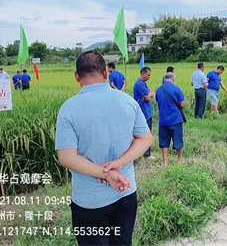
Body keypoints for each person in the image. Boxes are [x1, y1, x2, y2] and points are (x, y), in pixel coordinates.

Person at [55, 51, 153, 246]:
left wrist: (106, 174)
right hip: (126, 192)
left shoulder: (68, 108)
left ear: (76, 76)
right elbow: (146, 138)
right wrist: (119, 164)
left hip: (90, 201)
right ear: (106, 73)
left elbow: (66, 157)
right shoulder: (127, 101)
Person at [156, 72, 185, 166]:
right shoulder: (177, 89)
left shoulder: (159, 90)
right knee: (178, 140)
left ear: (165, 79)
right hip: (175, 119)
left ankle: (165, 161)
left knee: (164, 141)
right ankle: (179, 160)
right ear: (173, 80)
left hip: (163, 120)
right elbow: (182, 105)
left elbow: (158, 102)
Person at [133, 67, 155, 159]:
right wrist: (149, 95)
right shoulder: (139, 84)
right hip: (143, 112)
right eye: (148, 75)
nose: (149, 77)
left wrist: (149, 95)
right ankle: (146, 154)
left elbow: (151, 94)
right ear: (143, 74)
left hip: (147, 111)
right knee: (145, 133)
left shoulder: (143, 84)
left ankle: (146, 152)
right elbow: (148, 97)